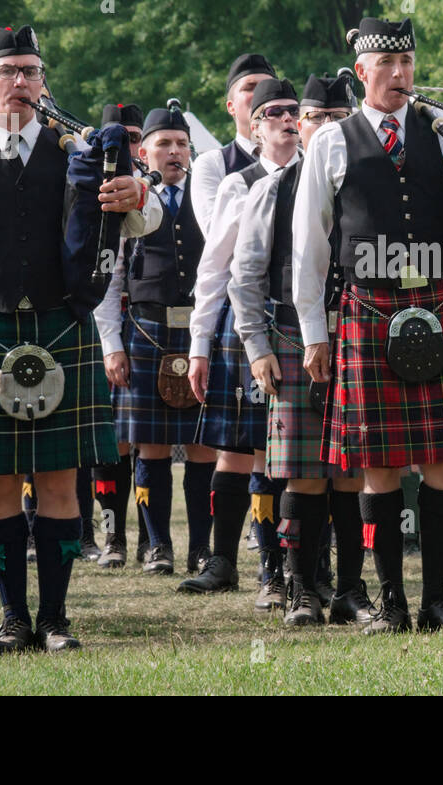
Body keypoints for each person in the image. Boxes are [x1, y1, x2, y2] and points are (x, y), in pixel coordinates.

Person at [293, 17, 443, 632]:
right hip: (368, 307)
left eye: (408, 61)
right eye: (388, 64)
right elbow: (309, 246)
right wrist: (314, 334)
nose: (401, 74)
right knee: (377, 460)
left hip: (440, 301)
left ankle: (438, 600)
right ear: (362, 74)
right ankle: (390, 603)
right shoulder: (332, 142)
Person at [0, 24, 154, 654]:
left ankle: (54, 618)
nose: (21, 82)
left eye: (31, 70)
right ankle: (12, 619)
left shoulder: (76, 153)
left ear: (43, 81)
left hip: (60, 324)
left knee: (56, 477)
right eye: (8, 71)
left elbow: (143, 220)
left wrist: (140, 190)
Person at [227, 72, 379, 625]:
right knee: (304, 474)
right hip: (292, 337)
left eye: (338, 119)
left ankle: (350, 590)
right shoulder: (273, 188)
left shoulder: (368, 182)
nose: (321, 127)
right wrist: (256, 346)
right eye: (312, 118)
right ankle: (300, 589)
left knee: (352, 471)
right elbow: (243, 277)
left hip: (358, 337)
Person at [180, 78, 303, 607]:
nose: (284, 119)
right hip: (245, 325)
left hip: (302, 326)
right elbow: (213, 273)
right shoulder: (239, 182)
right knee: (235, 452)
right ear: (254, 125)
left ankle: (278, 569)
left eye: (292, 111)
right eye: (272, 111)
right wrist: (200, 346)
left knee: (283, 456)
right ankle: (223, 561)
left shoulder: (317, 178)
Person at [95, 104, 218, 577]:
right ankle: (157, 546)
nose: (174, 152)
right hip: (145, 329)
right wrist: (112, 342)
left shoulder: (209, 195)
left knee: (205, 445)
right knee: (150, 445)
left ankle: (201, 550)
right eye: (164, 144)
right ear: (142, 151)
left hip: (200, 331)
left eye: (182, 143)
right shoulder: (131, 199)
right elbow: (111, 276)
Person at [92, 101, 150, 569]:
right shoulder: (103, 184)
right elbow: (107, 277)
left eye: (135, 137)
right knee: (112, 444)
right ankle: (112, 538)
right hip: (107, 330)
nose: (130, 146)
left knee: (145, 438)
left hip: (151, 333)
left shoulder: (151, 188)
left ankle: (155, 542)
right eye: (121, 137)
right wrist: (111, 344)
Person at [189, 54, 277, 235]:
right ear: (231, 106)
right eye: (249, 88)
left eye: (267, 87)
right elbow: (216, 234)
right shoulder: (212, 164)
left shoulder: (302, 157)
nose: (260, 94)